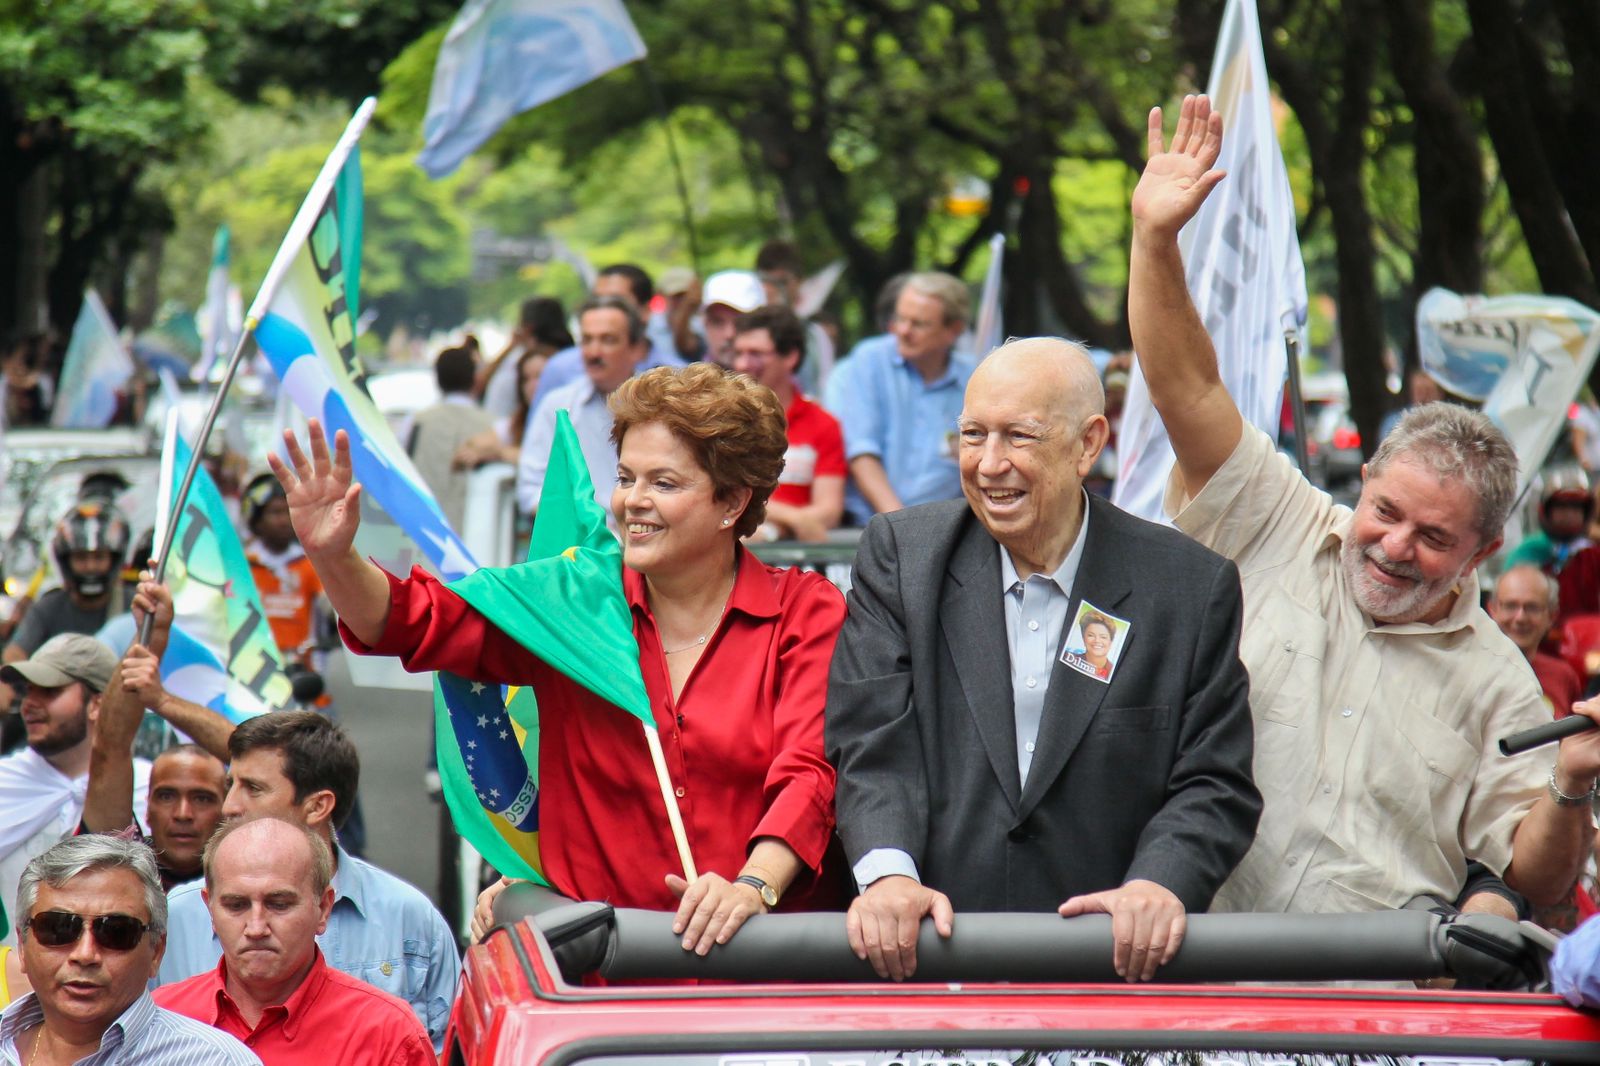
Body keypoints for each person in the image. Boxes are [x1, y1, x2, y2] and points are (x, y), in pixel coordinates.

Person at [1126, 93, 1600, 915]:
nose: (1393, 546)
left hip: (1369, 991)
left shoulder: (1502, 686)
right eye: (1386, 511)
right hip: (1186, 969)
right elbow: (1186, 387)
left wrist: (1571, 781)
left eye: (1433, 536)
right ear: (1368, 477)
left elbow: (1535, 879)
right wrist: (1155, 239)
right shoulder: (1280, 519)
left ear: (1484, 552)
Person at [281, 364, 846, 951]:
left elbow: (811, 771)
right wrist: (334, 557)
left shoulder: (805, 611)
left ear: (732, 501)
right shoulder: (574, 595)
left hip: (766, 965)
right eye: (625, 478)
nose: (633, 501)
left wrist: (754, 885)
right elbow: (412, 620)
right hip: (600, 977)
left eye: (664, 483)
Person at [825, 337, 1260, 983]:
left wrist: (1159, 884)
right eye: (973, 435)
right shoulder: (904, 558)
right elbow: (871, 738)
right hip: (933, 957)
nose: (989, 464)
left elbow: (1213, 778)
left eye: (1019, 437)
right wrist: (889, 877)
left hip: (1113, 968)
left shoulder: (1186, 586)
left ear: (1088, 444)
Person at [154, 711, 458, 1048]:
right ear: (209, 906)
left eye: (252, 788)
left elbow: (450, 1047)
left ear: (317, 807)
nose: (229, 806)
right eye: (235, 905)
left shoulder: (408, 917)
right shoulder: (177, 918)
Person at [155, 816, 433, 1065]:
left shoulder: (387, 1034)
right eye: (236, 905)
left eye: (279, 904)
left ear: (323, 908)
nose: (256, 928)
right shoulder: (159, 1019)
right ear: (210, 910)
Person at [0, 835, 260, 1064]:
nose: (85, 954)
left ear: (156, 951)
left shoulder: (216, 1060)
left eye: (116, 932)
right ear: (22, 945)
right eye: (59, 928)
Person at [0, 634, 146, 948]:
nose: (29, 704)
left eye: (49, 690)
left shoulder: (151, 788)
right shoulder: (4, 783)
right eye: (27, 691)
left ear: (97, 704)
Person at [833, 272, 976, 525]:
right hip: (871, 527)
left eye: (918, 324)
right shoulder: (871, 361)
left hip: (946, 529)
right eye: (899, 319)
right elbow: (862, 453)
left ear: (953, 330)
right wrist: (900, 527)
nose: (903, 331)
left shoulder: (973, 379)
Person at [516, 296, 650, 519]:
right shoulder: (558, 406)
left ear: (637, 349)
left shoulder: (660, 407)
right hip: (580, 536)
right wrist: (583, 525)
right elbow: (531, 490)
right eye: (587, 340)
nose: (594, 352)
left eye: (607, 340)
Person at [1, 501, 130, 710]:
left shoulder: (134, 606)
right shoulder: (48, 607)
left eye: (99, 557)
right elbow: (15, 653)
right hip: (59, 714)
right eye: (81, 558)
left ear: (114, 559)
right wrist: (14, 683)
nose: (90, 566)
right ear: (66, 561)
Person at [731, 306, 846, 542]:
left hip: (795, 554)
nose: (742, 364)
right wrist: (793, 519)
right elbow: (719, 499)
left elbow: (829, 511)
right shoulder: (722, 420)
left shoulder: (823, 424)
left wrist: (771, 529)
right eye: (738, 352)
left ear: (791, 357)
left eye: (756, 353)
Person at [528, 265, 690, 413]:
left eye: (616, 301)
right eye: (596, 300)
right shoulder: (560, 369)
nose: (603, 309)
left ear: (645, 311)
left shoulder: (679, 377)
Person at [405, 344, 495, 532]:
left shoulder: (417, 421)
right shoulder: (493, 425)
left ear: (437, 378)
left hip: (424, 528)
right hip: (476, 532)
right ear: (474, 378)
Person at [241, 476, 326, 672]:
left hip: (302, 668)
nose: (284, 520)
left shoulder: (309, 563)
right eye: (275, 512)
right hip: (254, 665)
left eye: (288, 512)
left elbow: (329, 607)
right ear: (256, 520)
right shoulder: (243, 564)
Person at [1490, 566, 1583, 715]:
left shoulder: (1563, 676)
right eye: (1510, 606)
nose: (1520, 618)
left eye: (1532, 607)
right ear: (1492, 610)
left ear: (1551, 616)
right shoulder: (1471, 670)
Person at [477, 295, 573, 420]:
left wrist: (510, 346)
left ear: (527, 328)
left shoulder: (513, 369)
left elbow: (482, 384)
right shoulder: (576, 360)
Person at [1505, 469, 1594, 576]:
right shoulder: (1528, 551)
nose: (1569, 514)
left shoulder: (1592, 555)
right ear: (1546, 510)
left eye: (1576, 507)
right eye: (1562, 506)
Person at [699, 270, 767, 369]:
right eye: (717, 322)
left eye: (741, 322)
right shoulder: (686, 378)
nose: (729, 334)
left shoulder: (783, 376)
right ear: (704, 323)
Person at [1060, 612, 1116, 680]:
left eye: (1103, 637)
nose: (1097, 640)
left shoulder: (1114, 672)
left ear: (1111, 642)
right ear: (1083, 638)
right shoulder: (1067, 657)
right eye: (1091, 635)